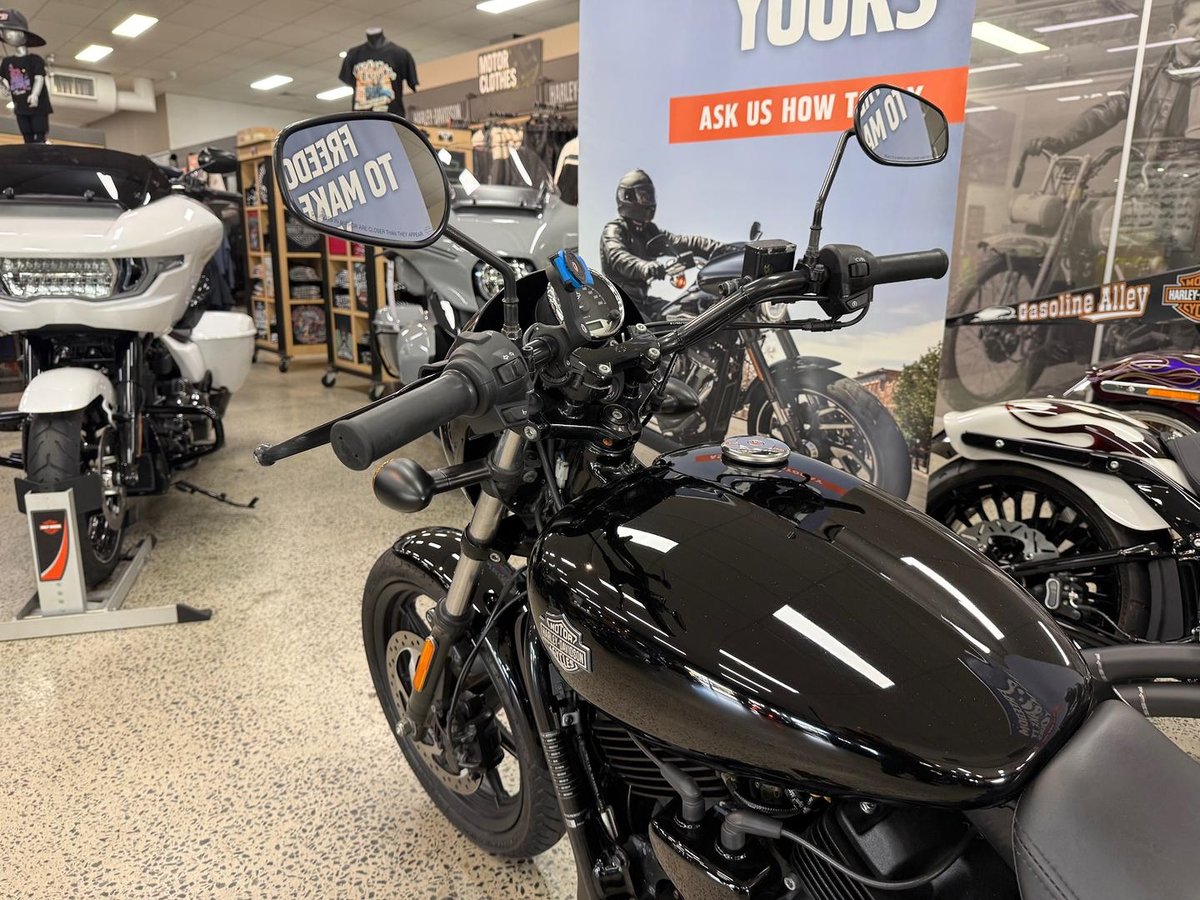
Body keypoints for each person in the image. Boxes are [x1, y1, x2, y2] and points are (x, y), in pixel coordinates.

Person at [1028, 0, 1200, 160]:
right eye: (1195, 23)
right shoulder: (1149, 79)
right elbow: (1105, 112)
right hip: (1153, 176)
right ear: (1173, 32)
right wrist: (1060, 141)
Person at [600, 169, 723, 312]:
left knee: (684, 311)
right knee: (650, 324)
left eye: (650, 196)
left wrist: (722, 249)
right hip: (621, 305)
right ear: (627, 197)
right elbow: (619, 257)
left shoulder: (650, 231)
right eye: (644, 196)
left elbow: (684, 242)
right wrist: (645, 267)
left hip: (643, 302)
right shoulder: (615, 229)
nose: (650, 202)